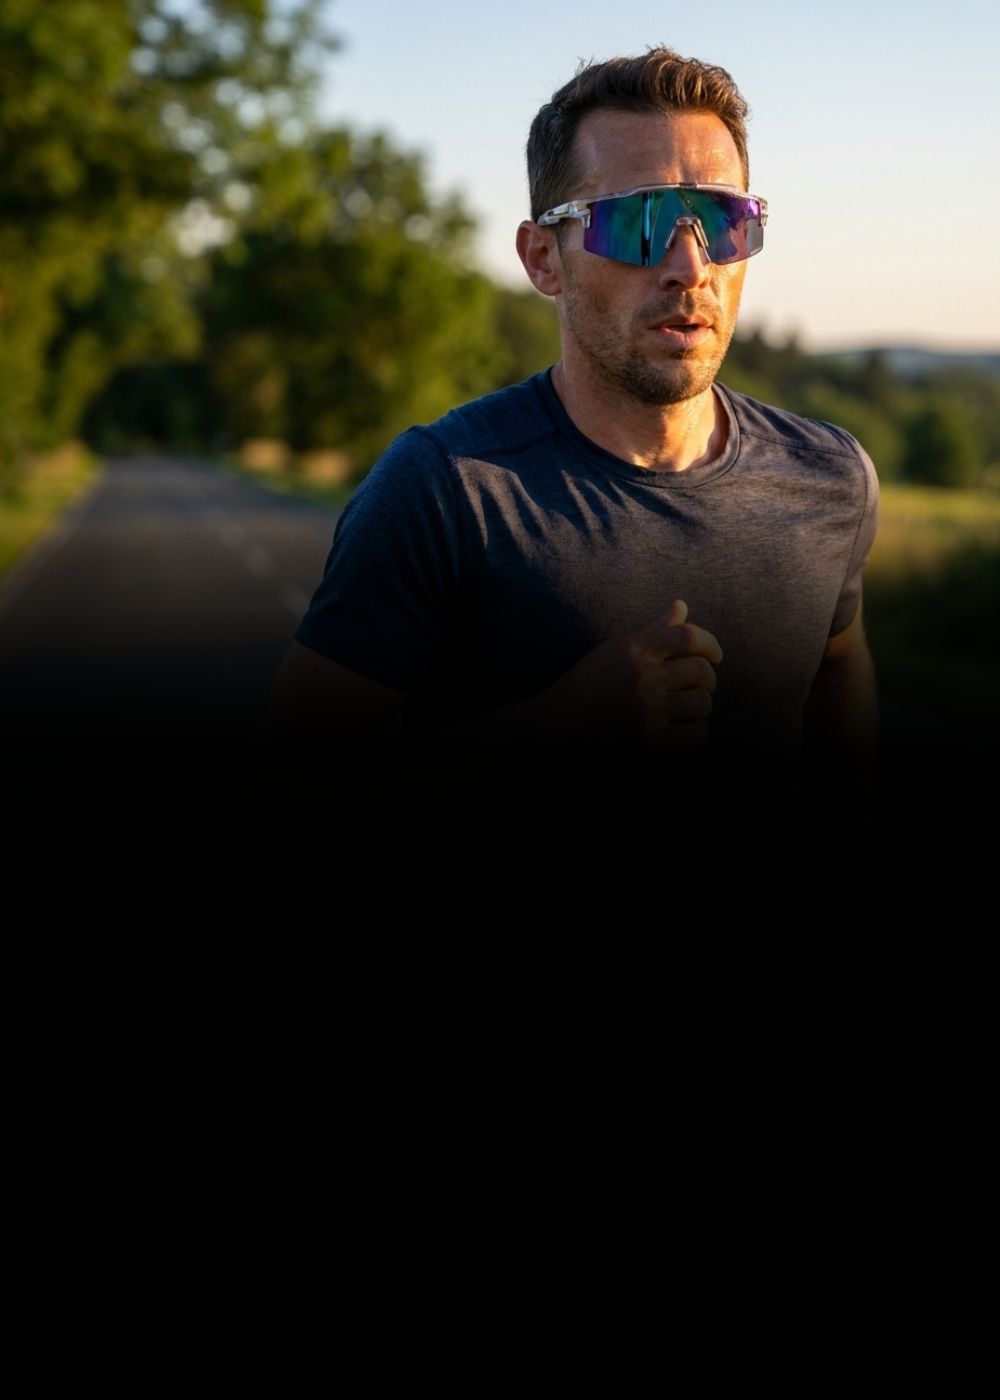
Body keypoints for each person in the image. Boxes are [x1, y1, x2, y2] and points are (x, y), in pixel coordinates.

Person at [264, 47, 879, 845]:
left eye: (724, 221)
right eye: (639, 220)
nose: (689, 267)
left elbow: (838, 672)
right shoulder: (447, 490)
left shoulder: (829, 479)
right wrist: (553, 732)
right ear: (541, 258)